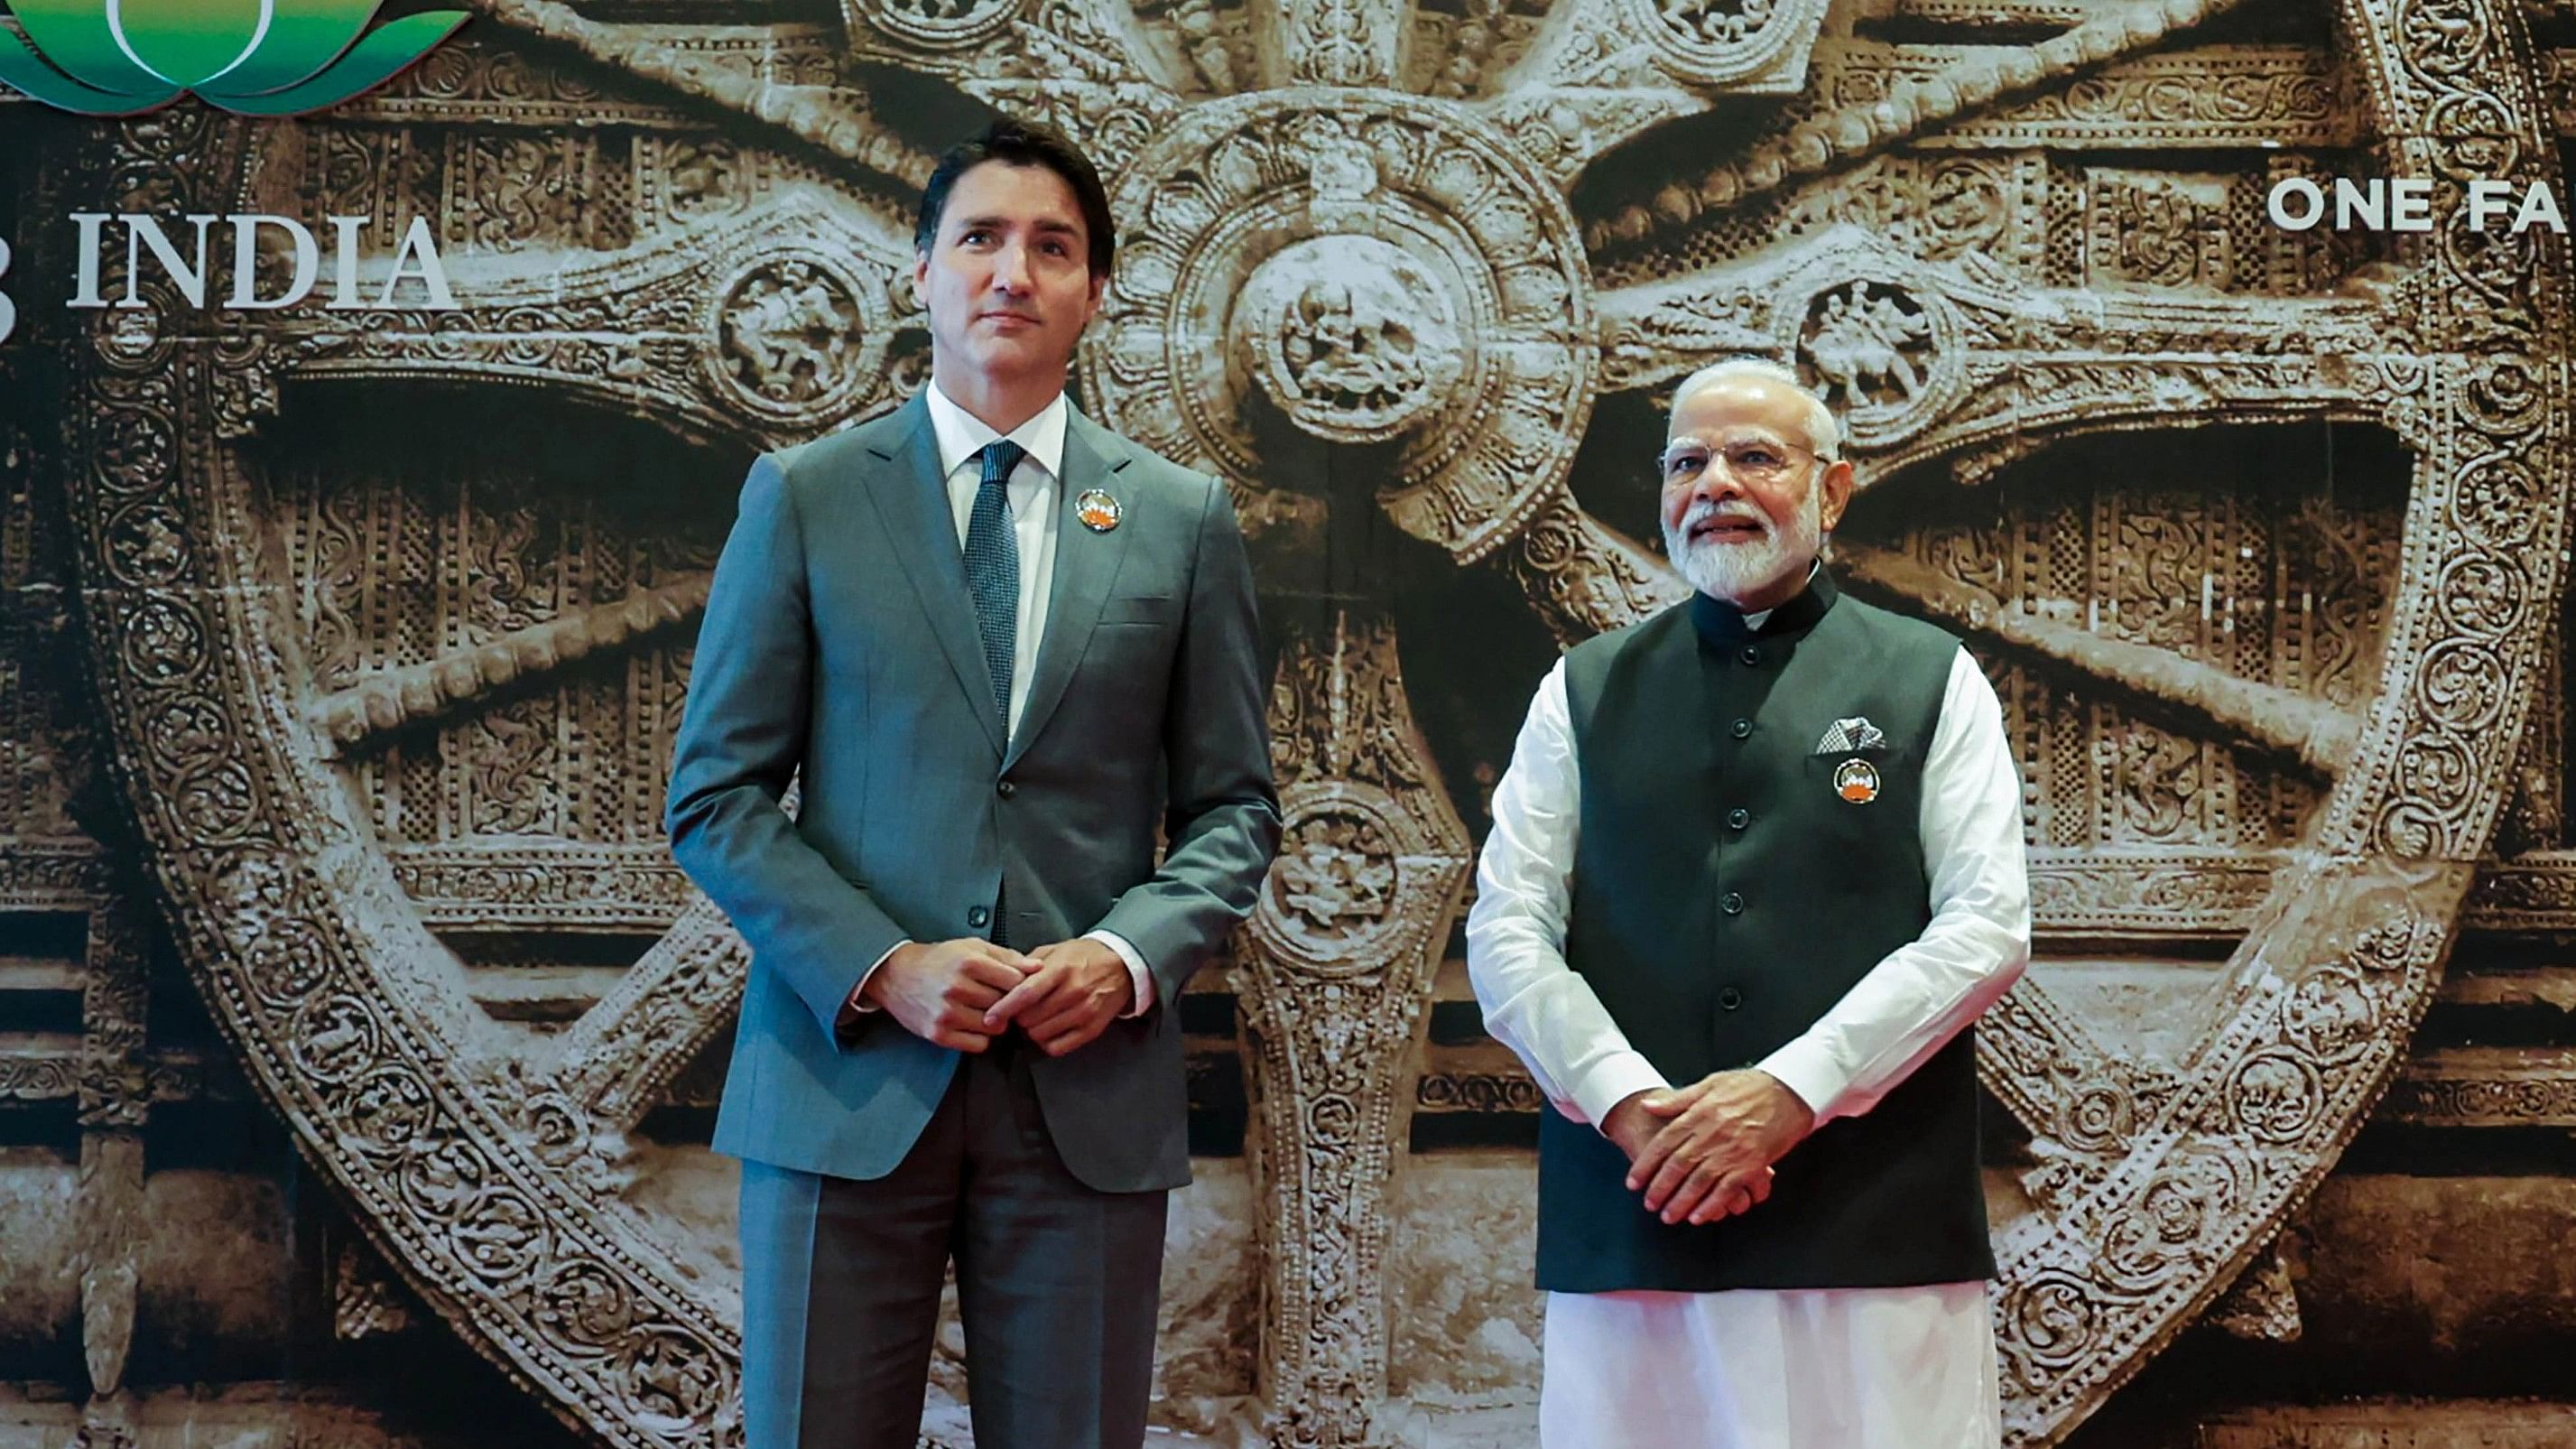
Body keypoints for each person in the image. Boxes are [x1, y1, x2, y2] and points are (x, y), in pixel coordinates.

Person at [665, 117, 1281, 1449]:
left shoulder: (1178, 520)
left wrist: (1123, 956)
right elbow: (713, 796)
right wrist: (884, 964)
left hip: (1087, 1092)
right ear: (922, 273)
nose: (1012, 271)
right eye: (980, 239)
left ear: (1094, 293)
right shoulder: (809, 495)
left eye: (1050, 247)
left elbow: (1235, 808)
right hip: (845, 1079)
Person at [1465, 357, 2031, 1447]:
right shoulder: (1580, 689)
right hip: (1637, 1210)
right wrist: (1631, 1107)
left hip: (1871, 1224)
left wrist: (1791, 1092)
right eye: (1687, 461)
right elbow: (1507, 930)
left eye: (1754, 456)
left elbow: (1985, 928)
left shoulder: (1930, 677)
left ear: (1832, 489)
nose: (1713, 482)